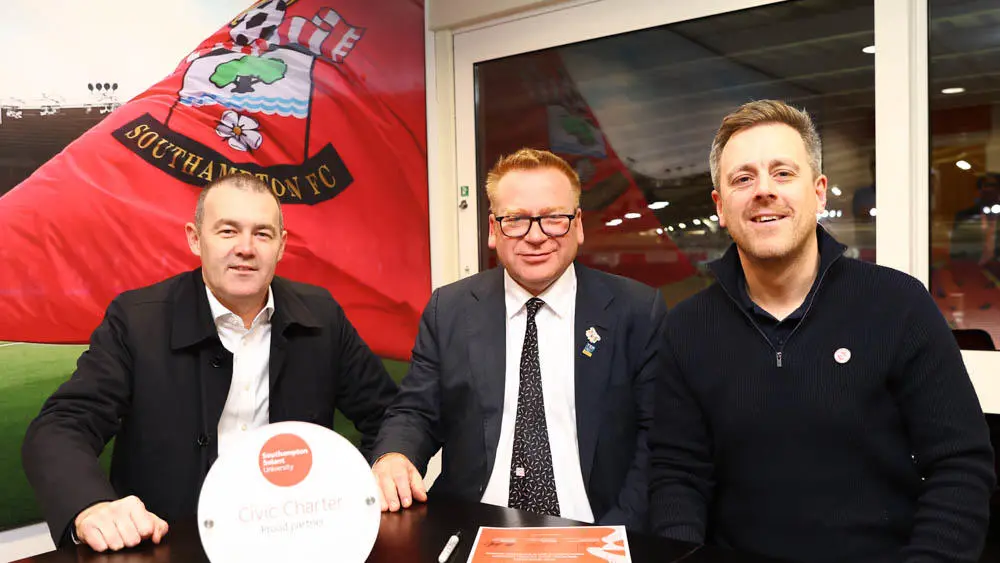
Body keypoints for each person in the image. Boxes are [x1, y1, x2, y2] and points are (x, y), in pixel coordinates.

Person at [648, 99, 995, 562]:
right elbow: (678, 476)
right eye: (743, 178)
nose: (763, 190)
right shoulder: (687, 328)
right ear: (721, 207)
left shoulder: (898, 305)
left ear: (819, 193)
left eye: (783, 173)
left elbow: (961, 466)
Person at [22, 174, 398, 552]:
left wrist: (386, 460)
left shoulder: (322, 316)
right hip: (171, 546)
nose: (245, 248)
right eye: (228, 231)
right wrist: (91, 506)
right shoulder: (137, 322)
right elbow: (61, 426)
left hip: (294, 540)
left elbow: (388, 413)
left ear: (281, 246)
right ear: (195, 238)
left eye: (262, 234)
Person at [370, 148, 667, 530]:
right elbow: (416, 411)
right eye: (516, 220)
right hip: (475, 525)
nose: (536, 236)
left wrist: (616, 533)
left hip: (596, 528)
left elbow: (656, 439)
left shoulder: (636, 311)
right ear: (493, 230)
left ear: (577, 225)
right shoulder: (451, 309)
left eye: (554, 218)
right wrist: (394, 455)